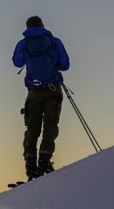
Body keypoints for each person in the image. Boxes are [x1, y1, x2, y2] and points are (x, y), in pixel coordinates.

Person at [12, 15, 70, 179]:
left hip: (34, 91)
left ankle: (30, 163)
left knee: (32, 127)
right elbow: (65, 65)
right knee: (50, 124)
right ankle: (45, 159)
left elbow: (16, 62)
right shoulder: (54, 41)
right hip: (53, 89)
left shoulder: (24, 43)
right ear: (42, 25)